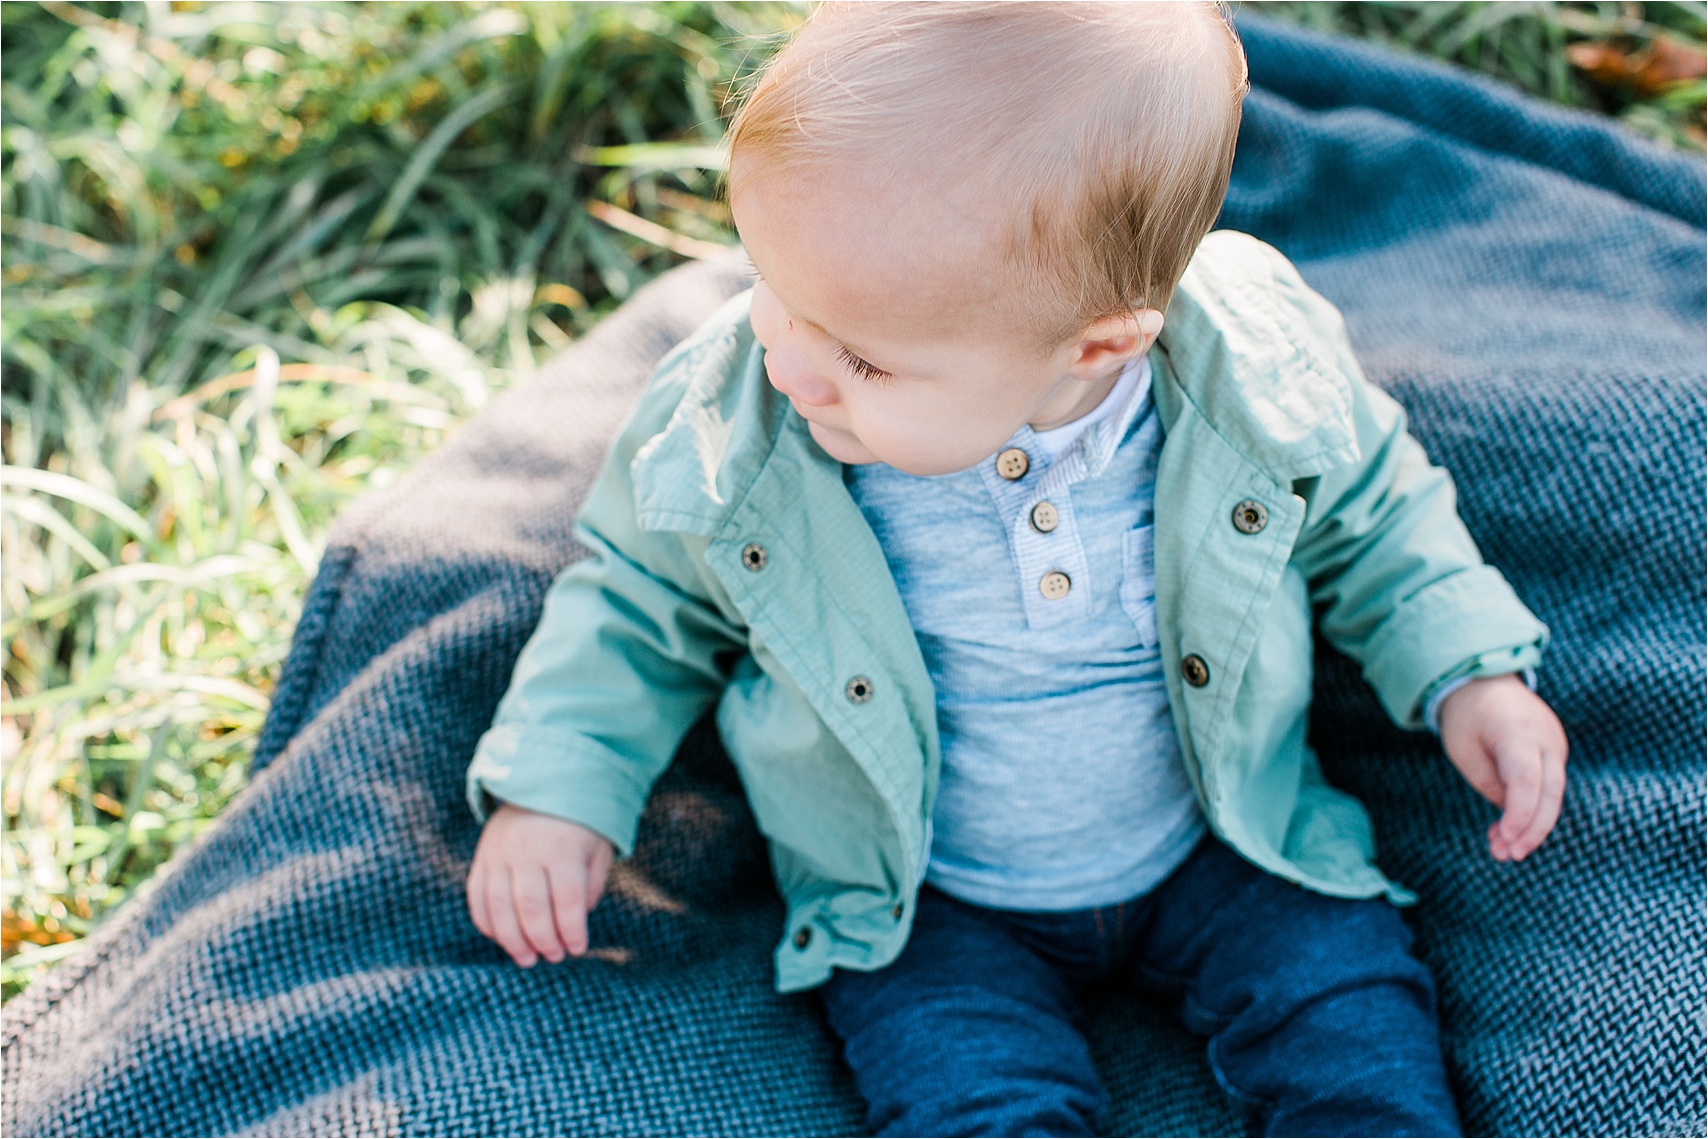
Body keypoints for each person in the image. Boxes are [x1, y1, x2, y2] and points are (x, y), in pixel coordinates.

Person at [463, 3, 1569, 1134]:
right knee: (973, 1102)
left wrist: (1467, 667)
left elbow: (1376, 516)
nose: (789, 359)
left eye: (858, 353)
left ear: (1097, 346)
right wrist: (560, 781)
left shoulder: (1249, 373)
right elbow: (634, 598)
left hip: (1230, 839)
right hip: (928, 901)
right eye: (768, 285)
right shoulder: (744, 424)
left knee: (1354, 1037)